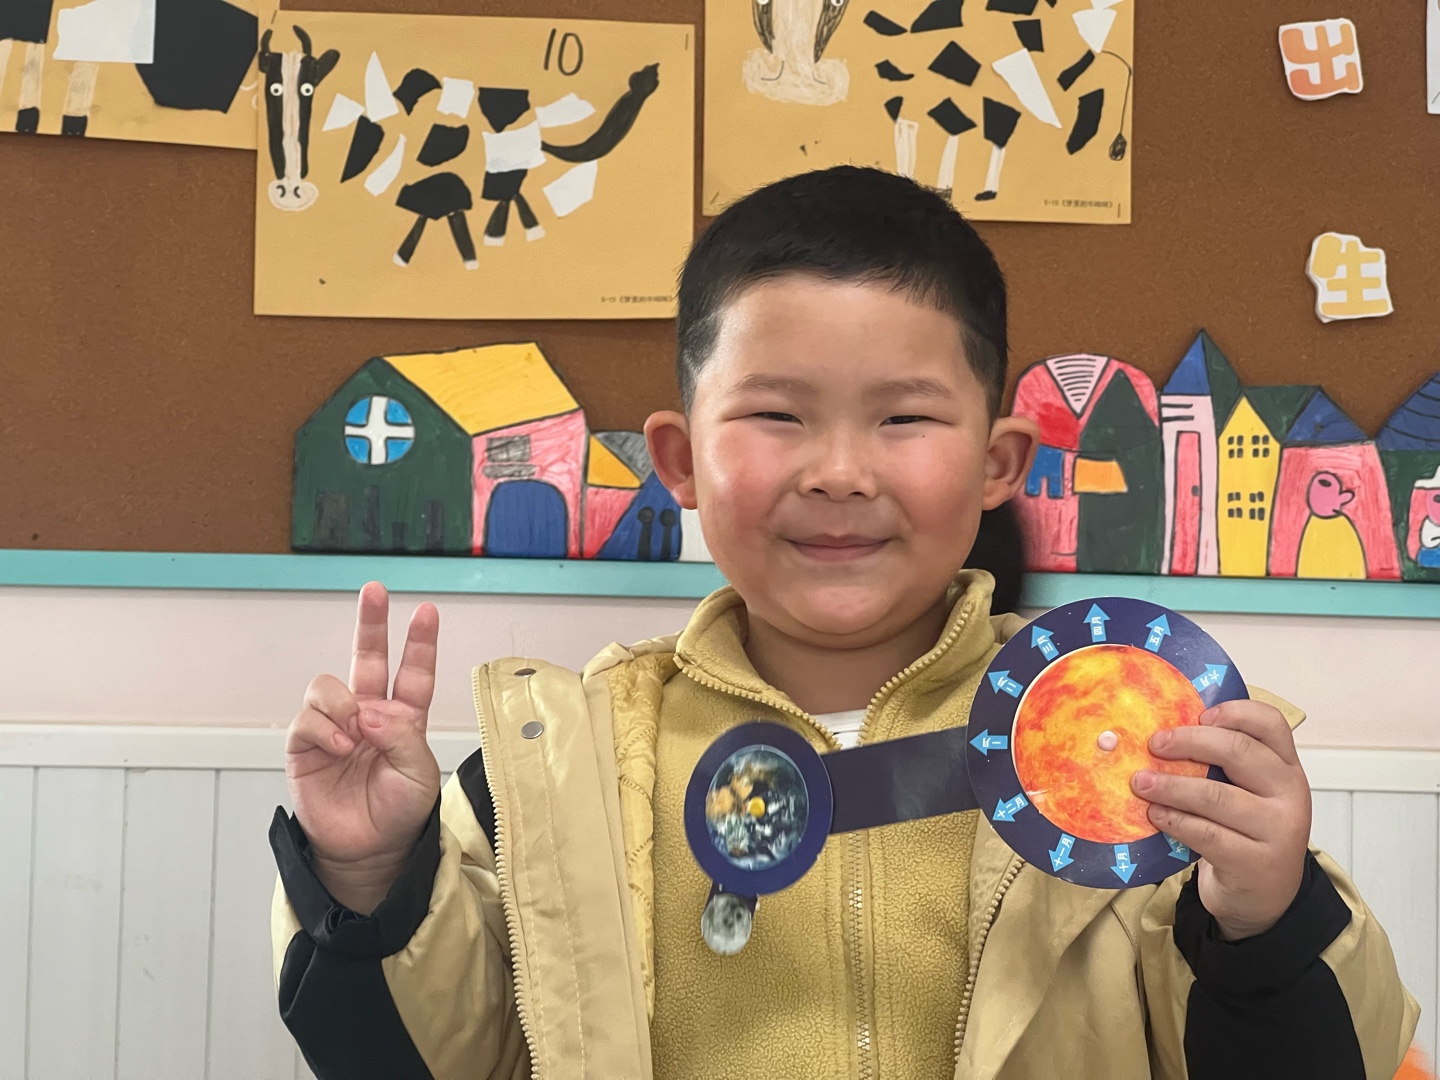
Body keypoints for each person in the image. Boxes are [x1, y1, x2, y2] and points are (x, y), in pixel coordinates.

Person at [270, 166, 1416, 1079]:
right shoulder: (550, 776)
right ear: (679, 459)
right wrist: (368, 877)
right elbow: (422, 1061)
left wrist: (1266, 919)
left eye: (904, 419)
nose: (838, 472)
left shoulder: (1139, 750)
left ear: (998, 465)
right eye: (777, 415)